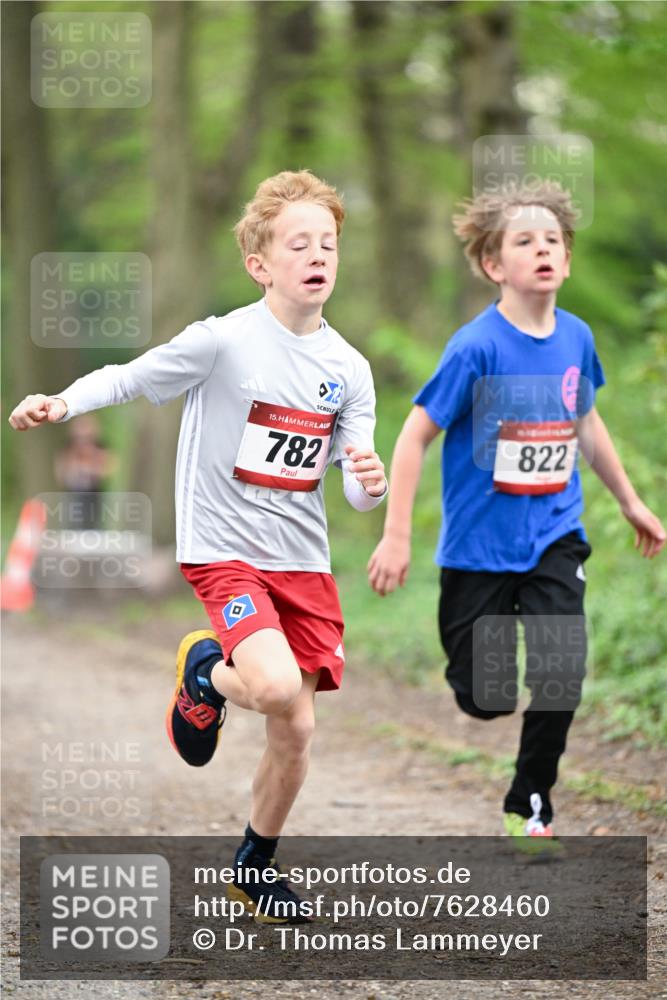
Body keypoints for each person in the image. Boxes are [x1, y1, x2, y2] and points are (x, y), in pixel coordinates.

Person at [9, 169, 387, 917]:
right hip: (223, 550)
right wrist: (62, 402)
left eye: (329, 244)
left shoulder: (348, 370)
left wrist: (369, 481)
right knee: (276, 690)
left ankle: (253, 864)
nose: (318, 255)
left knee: (297, 728)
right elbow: (128, 377)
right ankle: (207, 670)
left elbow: (352, 486)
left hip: (302, 562)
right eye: (299, 243)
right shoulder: (222, 342)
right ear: (260, 263)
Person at [368, 182, 665, 844]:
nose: (541, 249)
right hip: (476, 550)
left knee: (562, 671)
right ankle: (474, 677)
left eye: (551, 239)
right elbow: (414, 435)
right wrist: (394, 537)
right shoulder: (474, 347)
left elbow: (584, 422)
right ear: (492, 265)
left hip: (554, 534)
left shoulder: (576, 338)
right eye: (523, 240)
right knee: (487, 698)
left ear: (566, 259)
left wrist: (629, 502)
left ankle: (529, 800)